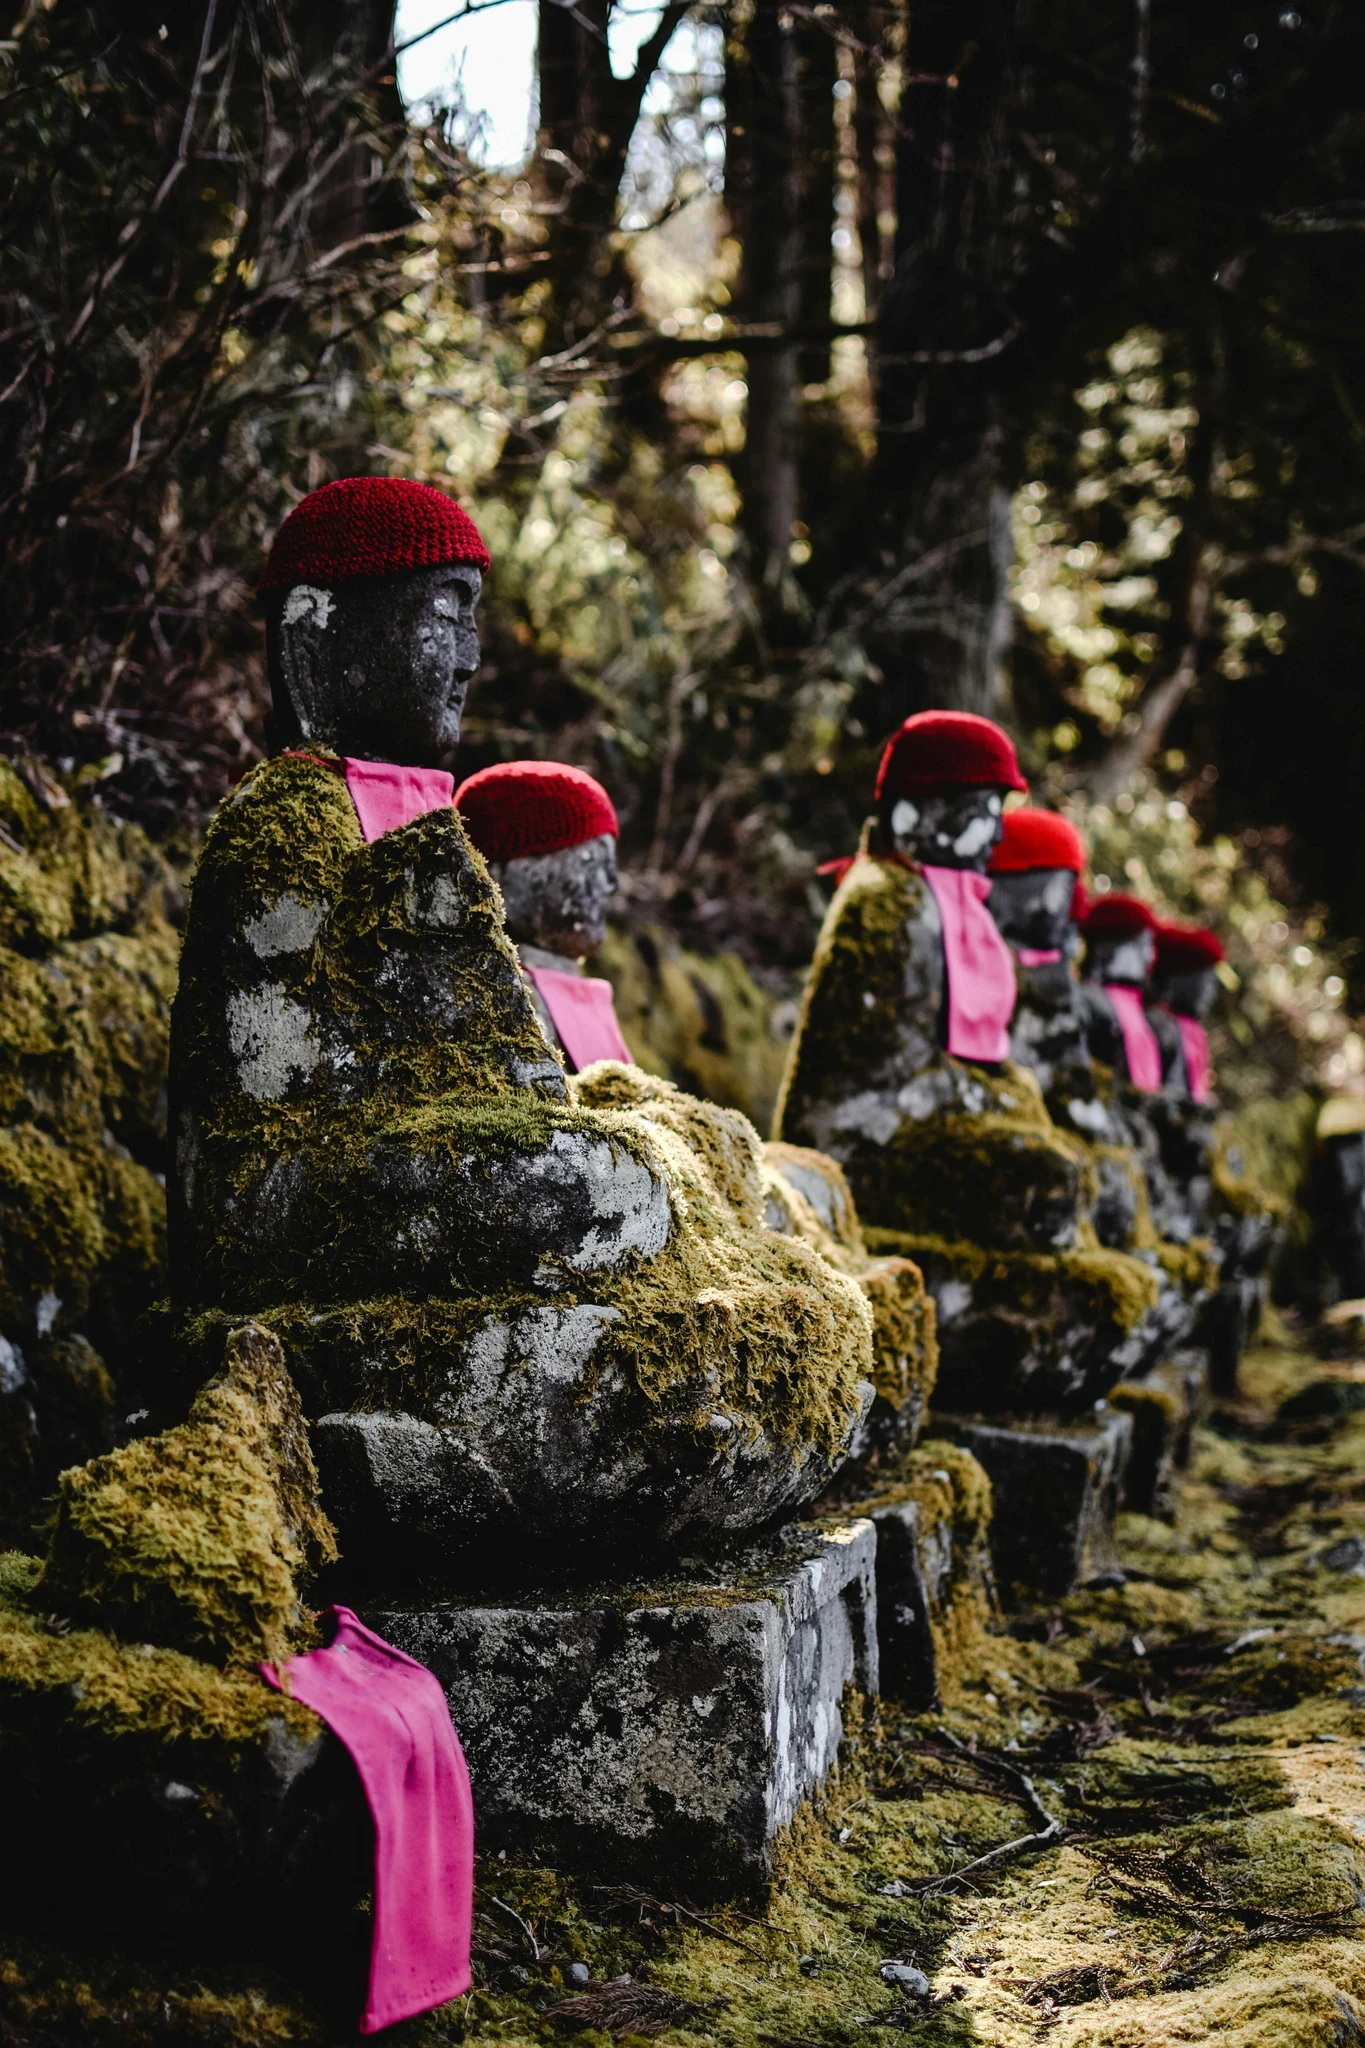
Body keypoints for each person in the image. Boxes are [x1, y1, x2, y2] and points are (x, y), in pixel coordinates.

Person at [454, 760, 633, 1073]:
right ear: (501, 871)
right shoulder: (492, 999)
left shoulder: (589, 996)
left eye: (610, 864)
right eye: (591, 860)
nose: (610, 883)